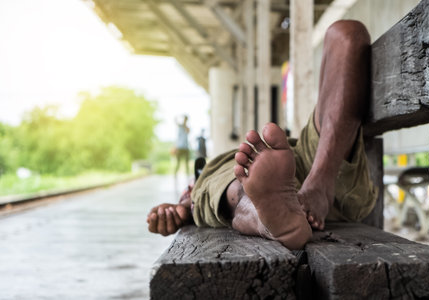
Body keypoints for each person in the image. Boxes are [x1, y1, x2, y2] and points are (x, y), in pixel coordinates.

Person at [147, 20, 378, 250]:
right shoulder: (203, 186)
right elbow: (189, 206)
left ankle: (300, 197)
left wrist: (181, 207)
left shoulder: (205, 181)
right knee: (236, 180)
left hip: (320, 165)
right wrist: (182, 209)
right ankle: (269, 217)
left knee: (347, 32)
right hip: (327, 177)